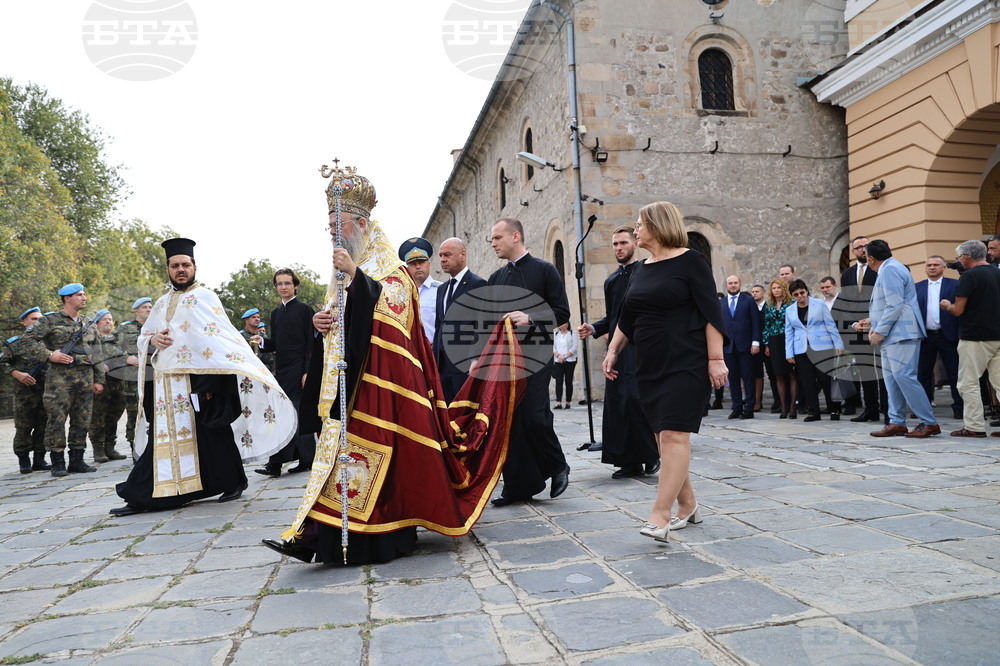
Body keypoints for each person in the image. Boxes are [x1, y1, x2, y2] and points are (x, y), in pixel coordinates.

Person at [262, 165, 522, 565]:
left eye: (338, 225)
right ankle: (316, 535)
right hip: (348, 387)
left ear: (362, 223)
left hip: (379, 387)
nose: (332, 234)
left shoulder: (392, 270)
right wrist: (322, 322)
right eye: (329, 226)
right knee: (338, 460)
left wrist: (357, 277)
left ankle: (378, 537)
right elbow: (342, 320)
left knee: (373, 463)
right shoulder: (340, 271)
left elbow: (393, 315)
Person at [110, 238, 297, 516]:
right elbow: (144, 336)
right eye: (175, 266)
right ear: (168, 269)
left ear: (194, 266)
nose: (180, 270)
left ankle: (234, 481)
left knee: (213, 433)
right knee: (166, 439)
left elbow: (220, 341)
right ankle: (157, 491)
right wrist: (152, 341)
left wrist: (211, 384)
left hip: (200, 381)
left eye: (185, 264)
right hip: (165, 386)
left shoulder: (206, 297)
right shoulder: (160, 304)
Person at [603, 201, 727, 542]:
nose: (635, 229)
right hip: (649, 363)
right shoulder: (642, 268)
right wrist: (613, 350)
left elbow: (710, 312)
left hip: (686, 359)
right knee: (662, 437)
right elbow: (627, 317)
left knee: (674, 435)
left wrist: (715, 359)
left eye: (640, 224)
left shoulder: (691, 262)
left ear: (658, 226)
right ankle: (688, 505)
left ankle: (661, 515)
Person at [487, 217, 571, 507]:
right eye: (492, 239)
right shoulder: (495, 279)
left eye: (497, 237)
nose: (493, 243)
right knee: (509, 422)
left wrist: (531, 318)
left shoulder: (545, 270)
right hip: (504, 361)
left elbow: (562, 312)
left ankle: (558, 465)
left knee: (535, 415)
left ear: (515, 236)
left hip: (536, 355)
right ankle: (518, 487)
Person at [579, 225, 659, 477]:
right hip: (617, 351)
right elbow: (614, 317)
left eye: (623, 243)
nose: (618, 248)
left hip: (643, 348)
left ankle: (650, 455)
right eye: (614, 244)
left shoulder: (647, 272)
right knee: (619, 405)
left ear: (635, 243)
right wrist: (593, 327)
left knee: (639, 400)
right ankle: (628, 461)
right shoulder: (611, 280)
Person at [19, 283, 104, 477]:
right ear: (67, 298)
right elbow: (26, 341)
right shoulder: (50, 320)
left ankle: (77, 460)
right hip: (59, 378)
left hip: (86, 378)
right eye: (79, 295)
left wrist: (100, 379)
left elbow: (98, 352)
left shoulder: (88, 323)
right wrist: (49, 355)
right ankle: (57, 462)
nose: (84, 298)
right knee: (57, 419)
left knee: (82, 419)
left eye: (84, 294)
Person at [861, 240, 939, 438]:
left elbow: (895, 304)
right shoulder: (891, 268)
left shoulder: (890, 270)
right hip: (894, 333)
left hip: (901, 333)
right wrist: (873, 322)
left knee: (904, 377)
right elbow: (894, 303)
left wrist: (880, 331)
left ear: (871, 258)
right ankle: (896, 421)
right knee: (892, 380)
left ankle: (929, 422)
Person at [253, 269, 317, 477]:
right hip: (282, 369)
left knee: (295, 413)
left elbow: (311, 343)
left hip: (299, 368)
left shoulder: (305, 310)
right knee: (285, 414)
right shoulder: (275, 313)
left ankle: (276, 464)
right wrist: (261, 341)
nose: (283, 287)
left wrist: (308, 371)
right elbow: (276, 344)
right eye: (279, 284)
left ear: (295, 285)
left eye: (287, 283)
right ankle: (303, 459)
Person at [941, 240, 1000, 437]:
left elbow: (957, 310)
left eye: (959, 257)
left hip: (975, 337)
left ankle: (974, 427)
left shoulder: (969, 276)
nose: (958, 260)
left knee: (968, 383)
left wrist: (946, 305)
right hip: (998, 335)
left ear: (966, 257)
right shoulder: (997, 272)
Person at [433, 236, 487, 403]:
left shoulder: (477, 285)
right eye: (441, 255)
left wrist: (476, 359)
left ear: (463, 254)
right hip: (442, 366)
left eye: (447, 255)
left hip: (465, 365)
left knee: (465, 413)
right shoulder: (441, 289)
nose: (443, 260)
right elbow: (439, 327)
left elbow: (482, 324)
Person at [839, 235, 885, 421]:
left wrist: (873, 321)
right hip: (857, 329)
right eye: (859, 247)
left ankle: (887, 409)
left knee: (881, 370)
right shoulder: (847, 274)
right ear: (853, 251)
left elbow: (883, 298)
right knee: (865, 370)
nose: (863, 250)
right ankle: (871, 409)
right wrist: (854, 323)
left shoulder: (879, 270)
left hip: (877, 326)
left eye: (866, 246)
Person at [0, 308, 50, 473]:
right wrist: (17, 374)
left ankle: (39, 459)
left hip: (46, 390)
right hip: (24, 393)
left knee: (44, 425)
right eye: (33, 319)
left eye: (40, 320)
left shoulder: (49, 343)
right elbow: (3, 362)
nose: (37, 323)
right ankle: (24, 460)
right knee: (23, 427)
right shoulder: (15, 343)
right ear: (25, 322)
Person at [784, 280, 842, 422]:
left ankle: (834, 409)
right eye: (796, 294)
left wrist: (838, 344)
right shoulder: (789, 310)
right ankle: (813, 412)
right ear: (792, 296)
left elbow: (830, 325)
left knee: (825, 379)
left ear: (806, 291)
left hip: (822, 346)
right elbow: (789, 332)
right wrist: (789, 352)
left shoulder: (819, 304)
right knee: (807, 381)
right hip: (801, 349)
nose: (800, 296)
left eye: (802, 292)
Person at [915, 255, 962, 419]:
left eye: (936, 265)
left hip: (948, 335)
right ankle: (923, 408)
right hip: (925, 336)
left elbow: (961, 310)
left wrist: (958, 332)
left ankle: (959, 407)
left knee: (954, 372)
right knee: (923, 374)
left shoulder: (954, 284)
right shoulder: (917, 287)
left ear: (943, 267)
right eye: (929, 265)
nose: (932, 267)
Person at [88, 309, 128, 463]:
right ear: (97, 323)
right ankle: (98, 449)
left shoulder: (118, 339)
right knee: (98, 417)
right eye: (105, 319)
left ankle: (110, 448)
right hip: (101, 382)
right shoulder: (91, 339)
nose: (108, 322)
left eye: (110, 319)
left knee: (114, 415)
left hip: (118, 383)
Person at [720, 275, 761, 419]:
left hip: (745, 346)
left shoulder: (748, 300)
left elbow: (756, 322)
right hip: (728, 347)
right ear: (726, 286)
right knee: (733, 378)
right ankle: (736, 407)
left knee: (748, 377)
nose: (733, 285)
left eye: (735, 283)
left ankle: (749, 408)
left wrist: (756, 342)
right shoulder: (721, 303)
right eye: (730, 283)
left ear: (740, 284)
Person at [117, 297, 152, 455]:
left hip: (154, 377)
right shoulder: (125, 328)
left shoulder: (157, 328)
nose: (148, 310)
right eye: (144, 307)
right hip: (132, 379)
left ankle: (152, 448)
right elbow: (110, 347)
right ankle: (135, 450)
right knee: (134, 414)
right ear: (136, 311)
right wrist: (126, 357)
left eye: (150, 307)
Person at [762, 279, 796, 418]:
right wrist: (766, 344)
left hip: (788, 339)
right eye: (774, 288)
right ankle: (783, 406)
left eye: (778, 287)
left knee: (792, 374)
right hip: (774, 340)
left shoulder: (792, 303)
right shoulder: (769, 305)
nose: (776, 290)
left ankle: (793, 406)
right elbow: (767, 325)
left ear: (784, 289)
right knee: (778, 374)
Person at [398, 237, 441, 344]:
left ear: (429, 265)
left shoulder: (441, 290)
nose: (418, 267)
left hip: (434, 351)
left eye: (421, 262)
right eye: (413, 264)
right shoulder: (400, 294)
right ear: (407, 268)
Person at [750, 284, 770, 412]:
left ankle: (778, 402)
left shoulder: (769, 307)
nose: (754, 294)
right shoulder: (750, 307)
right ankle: (757, 401)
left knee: (773, 374)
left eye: (757, 291)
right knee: (756, 373)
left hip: (768, 345)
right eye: (752, 292)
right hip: (755, 345)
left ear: (763, 293)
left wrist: (768, 344)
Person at [551, 322, 577, 410]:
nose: (561, 325)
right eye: (560, 324)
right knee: (558, 381)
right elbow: (553, 347)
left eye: (563, 323)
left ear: (567, 324)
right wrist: (559, 356)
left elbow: (574, 347)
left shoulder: (573, 333)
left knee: (568, 381)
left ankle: (568, 402)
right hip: (558, 361)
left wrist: (565, 356)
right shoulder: (555, 334)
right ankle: (558, 402)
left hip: (570, 361)